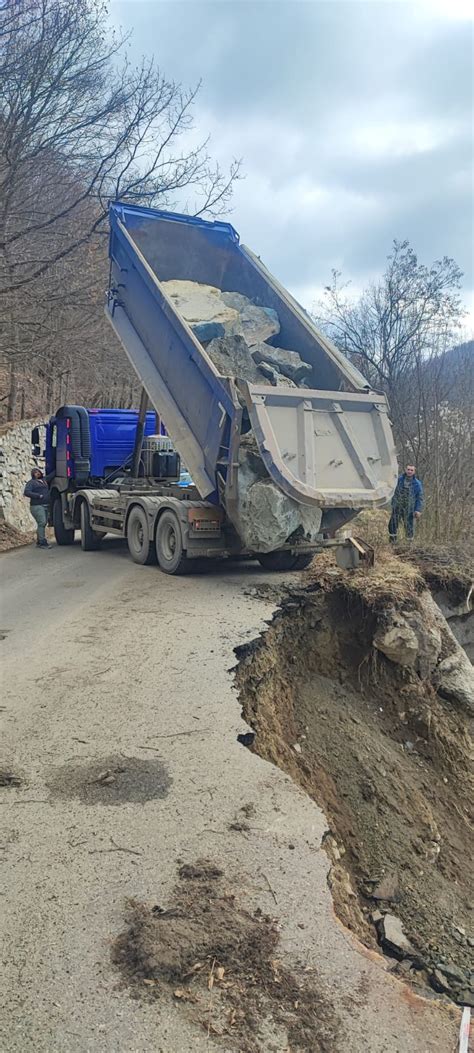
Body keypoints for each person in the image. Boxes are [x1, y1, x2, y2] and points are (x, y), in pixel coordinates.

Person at [388, 464, 424, 543]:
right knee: (392, 524)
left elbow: (419, 497)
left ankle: (409, 544)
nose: (409, 471)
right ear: (405, 470)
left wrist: (418, 510)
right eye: (408, 469)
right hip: (397, 506)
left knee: (409, 526)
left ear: (414, 472)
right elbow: (392, 491)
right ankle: (392, 542)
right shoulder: (398, 480)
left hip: (409, 508)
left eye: (411, 470)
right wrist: (393, 503)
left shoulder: (417, 484)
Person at [24, 468, 51, 548]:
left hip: (46, 505)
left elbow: (52, 475)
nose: (37, 473)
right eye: (35, 473)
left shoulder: (44, 480)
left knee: (44, 523)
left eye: (38, 472)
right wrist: (38, 496)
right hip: (37, 505)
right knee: (42, 522)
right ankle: (42, 542)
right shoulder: (31, 483)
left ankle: (39, 541)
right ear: (33, 474)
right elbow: (27, 492)